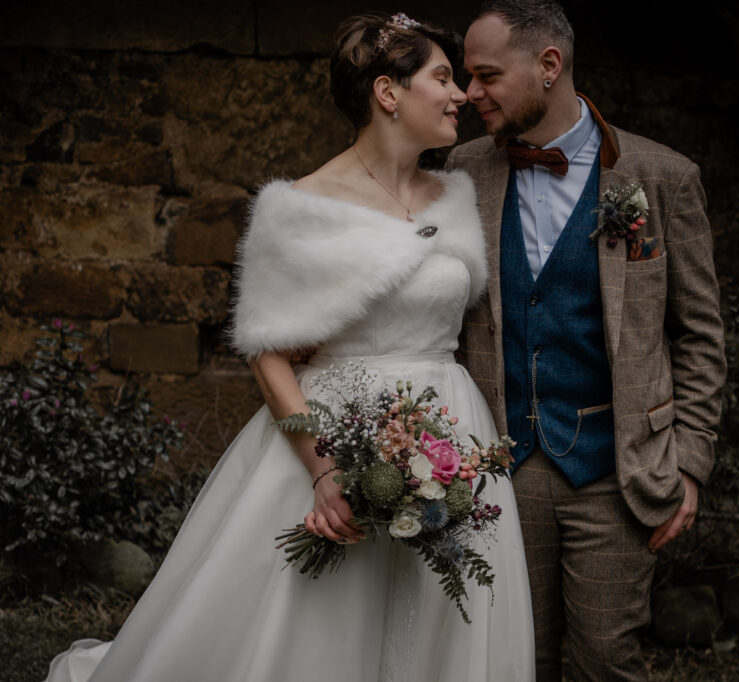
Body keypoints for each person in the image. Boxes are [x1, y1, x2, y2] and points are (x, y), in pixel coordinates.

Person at [45, 12, 535, 682]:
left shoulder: (458, 194)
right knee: (324, 625)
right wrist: (326, 469)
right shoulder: (301, 206)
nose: (462, 96)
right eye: (443, 78)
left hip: (452, 430)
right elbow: (267, 351)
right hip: (335, 434)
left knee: (445, 618)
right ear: (388, 93)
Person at [444, 2, 726, 680]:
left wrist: (688, 464)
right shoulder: (459, 172)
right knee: (515, 657)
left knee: (605, 659)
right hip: (503, 466)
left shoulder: (662, 177)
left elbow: (699, 336)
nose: (468, 93)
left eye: (485, 76)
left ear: (549, 66)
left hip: (616, 468)